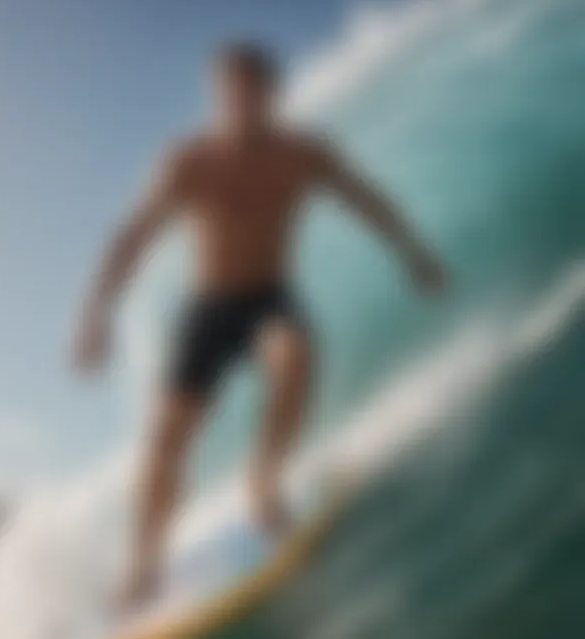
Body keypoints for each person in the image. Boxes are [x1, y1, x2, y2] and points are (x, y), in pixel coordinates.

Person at [71, 41, 445, 608]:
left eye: (252, 90)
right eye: (228, 92)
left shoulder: (303, 155)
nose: (239, 102)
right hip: (208, 309)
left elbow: (365, 199)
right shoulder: (187, 161)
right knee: (165, 442)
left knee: (295, 356)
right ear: (216, 95)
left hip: (269, 299)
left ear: (272, 94)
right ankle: (144, 566)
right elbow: (132, 236)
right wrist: (95, 315)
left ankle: (263, 481)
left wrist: (411, 251)